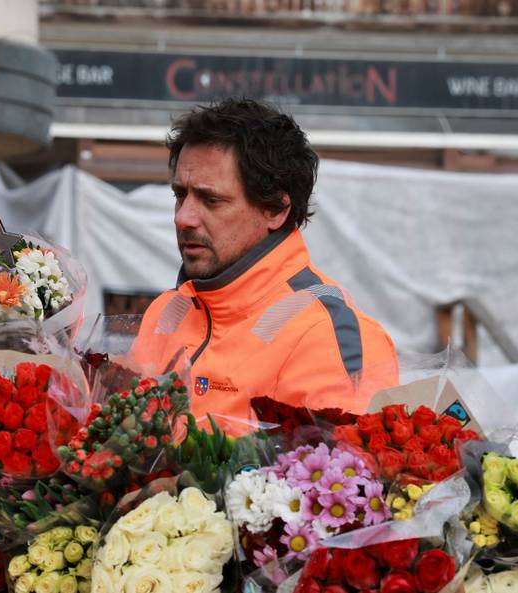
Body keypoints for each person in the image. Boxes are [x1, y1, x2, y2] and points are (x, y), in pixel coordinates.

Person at [132, 98, 398, 433]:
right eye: (180, 195)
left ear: (275, 209)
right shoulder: (166, 311)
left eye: (211, 200)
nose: (183, 218)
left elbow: (341, 465)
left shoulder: (328, 335)